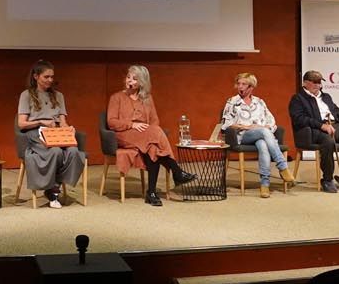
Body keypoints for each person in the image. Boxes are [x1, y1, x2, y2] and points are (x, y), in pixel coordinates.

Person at [109, 64, 198, 207]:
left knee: (153, 147)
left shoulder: (147, 98)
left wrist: (148, 130)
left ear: (142, 82)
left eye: (134, 79)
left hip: (146, 136)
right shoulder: (116, 97)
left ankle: (151, 193)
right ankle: (176, 171)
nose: (129, 81)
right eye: (128, 77)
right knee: (156, 134)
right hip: (123, 134)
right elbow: (111, 122)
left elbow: (155, 120)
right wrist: (132, 124)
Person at [18, 59, 84, 208]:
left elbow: (63, 121)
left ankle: (55, 186)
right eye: (46, 77)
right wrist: (41, 122)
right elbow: (21, 124)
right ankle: (52, 190)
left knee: (73, 151)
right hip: (36, 132)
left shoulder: (59, 96)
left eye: (52, 77)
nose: (50, 80)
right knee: (56, 152)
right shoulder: (27, 95)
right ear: (36, 76)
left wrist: (69, 128)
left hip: (56, 132)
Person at [220, 72, 297, 198]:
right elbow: (226, 123)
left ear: (251, 87)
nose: (240, 86)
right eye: (238, 84)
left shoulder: (259, 102)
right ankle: (283, 166)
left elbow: (271, 121)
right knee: (264, 132)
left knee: (262, 144)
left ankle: (264, 184)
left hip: (261, 135)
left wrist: (261, 127)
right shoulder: (232, 102)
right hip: (242, 136)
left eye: (244, 84)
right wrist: (246, 127)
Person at [288, 69, 339, 193]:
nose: (318, 85)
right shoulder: (298, 99)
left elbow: (337, 114)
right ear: (305, 83)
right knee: (328, 142)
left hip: (334, 127)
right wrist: (321, 126)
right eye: (315, 82)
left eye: (319, 82)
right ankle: (327, 179)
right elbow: (299, 119)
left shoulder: (326, 97)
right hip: (315, 131)